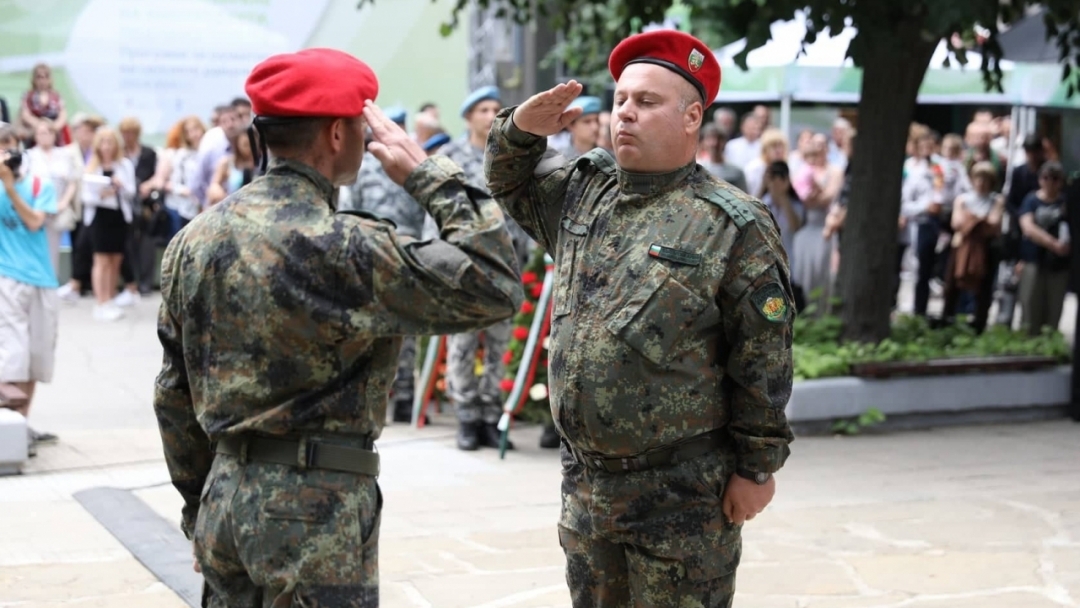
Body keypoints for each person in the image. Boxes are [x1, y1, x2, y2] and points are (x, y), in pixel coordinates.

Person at [153, 48, 523, 607]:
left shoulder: (194, 239)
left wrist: (197, 506)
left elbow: (173, 397)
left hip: (224, 498)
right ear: (335, 135)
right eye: (361, 127)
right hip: (314, 505)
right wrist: (428, 177)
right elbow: (495, 284)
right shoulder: (349, 246)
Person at [485, 30, 794, 607]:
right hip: (588, 488)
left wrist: (757, 467)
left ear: (691, 115)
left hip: (681, 496)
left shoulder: (731, 222)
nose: (625, 112)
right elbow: (507, 179)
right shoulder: (584, 191)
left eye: (647, 102)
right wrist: (520, 129)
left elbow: (764, 353)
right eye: (621, 100)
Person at [439, 85, 531, 451]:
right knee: (462, 343)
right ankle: (466, 417)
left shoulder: (509, 156)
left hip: (505, 266)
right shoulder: (451, 157)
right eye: (483, 109)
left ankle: (491, 415)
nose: (491, 115)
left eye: (496, 108)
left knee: (499, 343)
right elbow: (438, 208)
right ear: (467, 117)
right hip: (465, 264)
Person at [348, 106, 431, 424]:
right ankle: (372, 397)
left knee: (407, 331)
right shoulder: (361, 166)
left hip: (408, 254)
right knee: (371, 329)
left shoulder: (415, 167)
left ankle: (406, 396)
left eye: (397, 126)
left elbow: (426, 213)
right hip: (370, 256)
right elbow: (350, 209)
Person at [0, 123, 60, 456]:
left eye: (8, 144)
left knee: (36, 358)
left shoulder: (40, 182)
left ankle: (19, 427)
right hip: (7, 277)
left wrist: (11, 187)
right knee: (12, 355)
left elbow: (35, 222)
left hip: (43, 279)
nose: (4, 151)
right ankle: (8, 432)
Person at [556, 96, 602, 161]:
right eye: (587, 122)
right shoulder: (559, 158)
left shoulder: (608, 157)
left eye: (597, 120)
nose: (595, 127)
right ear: (571, 126)